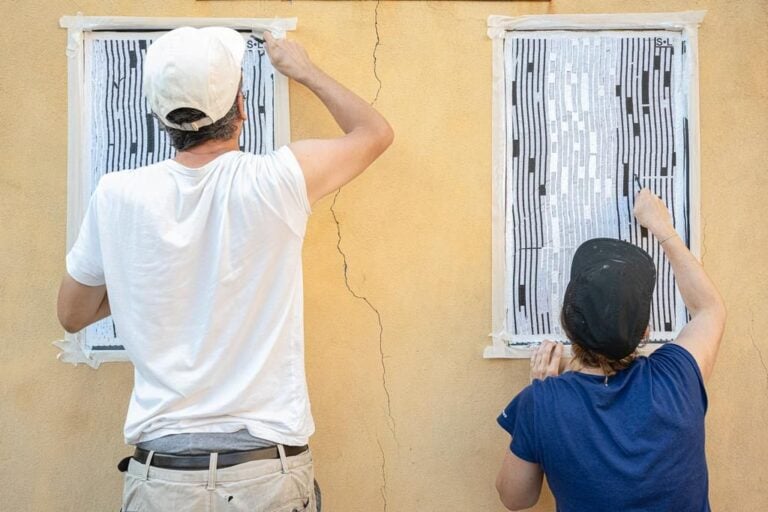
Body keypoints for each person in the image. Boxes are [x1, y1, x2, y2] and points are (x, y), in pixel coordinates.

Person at [56, 27, 393, 512]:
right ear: (241, 106)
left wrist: (146, 279)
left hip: (163, 479)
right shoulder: (277, 180)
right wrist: (303, 70)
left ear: (159, 117)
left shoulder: (116, 195)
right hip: (265, 472)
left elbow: (72, 313)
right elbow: (375, 133)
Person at [495, 188, 726, 511]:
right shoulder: (679, 376)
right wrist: (664, 230)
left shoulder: (542, 401)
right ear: (645, 333)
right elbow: (709, 308)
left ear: (566, 325)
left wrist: (541, 404)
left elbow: (515, 499)